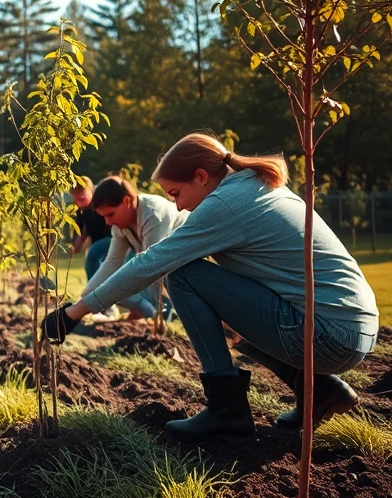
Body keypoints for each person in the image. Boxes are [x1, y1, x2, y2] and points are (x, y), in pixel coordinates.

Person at [41, 132, 378, 442]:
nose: (177, 206)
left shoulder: (225, 203)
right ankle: (318, 390)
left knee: (182, 275)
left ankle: (226, 411)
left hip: (328, 335)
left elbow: (153, 262)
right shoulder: (254, 185)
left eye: (176, 193)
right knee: (223, 311)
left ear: (201, 177)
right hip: (352, 328)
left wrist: (75, 313)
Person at [82, 176, 187, 322]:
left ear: (126, 201)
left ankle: (164, 313)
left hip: (186, 256)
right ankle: (153, 312)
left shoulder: (153, 214)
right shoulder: (120, 226)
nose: (108, 222)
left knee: (124, 284)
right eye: (104, 217)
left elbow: (150, 268)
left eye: (110, 214)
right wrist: (84, 299)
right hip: (159, 264)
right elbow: (112, 263)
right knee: (113, 288)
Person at [69, 176, 116, 320]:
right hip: (97, 246)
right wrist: (73, 249)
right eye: (75, 200)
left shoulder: (101, 202)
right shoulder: (80, 210)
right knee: (97, 273)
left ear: (91, 191)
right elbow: (81, 233)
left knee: (93, 261)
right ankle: (105, 307)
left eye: (82, 198)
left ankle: (102, 306)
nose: (79, 203)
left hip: (113, 240)